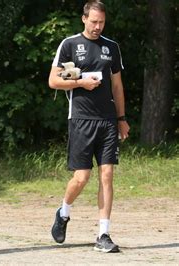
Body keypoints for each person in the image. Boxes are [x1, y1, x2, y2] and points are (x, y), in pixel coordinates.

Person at [48, 0, 130, 253]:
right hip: (81, 119)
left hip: (107, 121)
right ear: (84, 19)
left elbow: (117, 86)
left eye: (101, 22)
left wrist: (122, 118)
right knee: (82, 177)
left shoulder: (111, 47)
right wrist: (80, 83)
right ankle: (63, 212)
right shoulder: (70, 44)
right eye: (93, 21)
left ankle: (103, 234)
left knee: (107, 175)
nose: (97, 27)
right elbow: (53, 81)